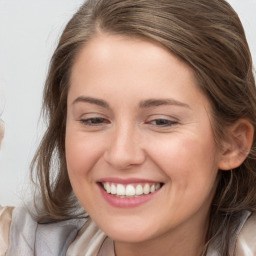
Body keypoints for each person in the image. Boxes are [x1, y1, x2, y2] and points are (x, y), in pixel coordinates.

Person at [1, 0, 256, 255]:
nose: (121, 155)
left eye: (161, 121)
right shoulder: (21, 242)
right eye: (94, 119)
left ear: (233, 144)